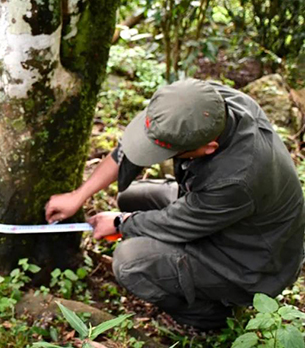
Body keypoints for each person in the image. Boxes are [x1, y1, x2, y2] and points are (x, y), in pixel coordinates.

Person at [45, 78, 305, 329]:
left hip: (251, 258)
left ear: (208, 148)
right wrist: (78, 196)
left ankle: (211, 315)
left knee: (129, 261)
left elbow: (176, 223)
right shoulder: (204, 104)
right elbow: (133, 148)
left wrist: (119, 223)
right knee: (130, 199)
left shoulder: (238, 179)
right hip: (219, 210)